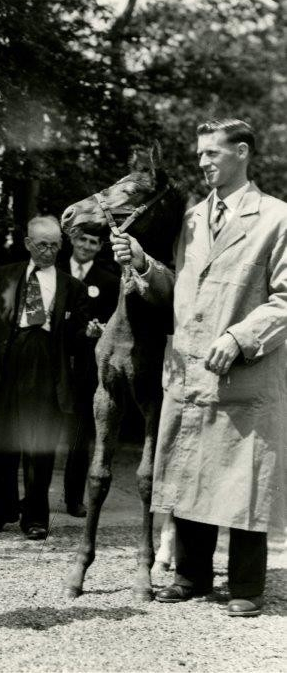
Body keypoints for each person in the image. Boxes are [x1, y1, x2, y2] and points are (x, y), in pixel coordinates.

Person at [112, 118, 287, 617]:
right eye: (200, 155)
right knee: (193, 466)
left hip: (247, 372)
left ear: (243, 152)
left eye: (212, 153)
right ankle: (191, 576)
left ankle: (247, 585)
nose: (203, 162)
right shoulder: (191, 219)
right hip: (190, 371)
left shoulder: (277, 218)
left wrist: (240, 337)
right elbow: (179, 290)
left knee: (244, 472)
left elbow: (286, 298)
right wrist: (144, 264)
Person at [0, 216, 90, 540]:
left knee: (39, 447)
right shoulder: (5, 276)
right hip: (3, 364)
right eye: (42, 245)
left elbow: (76, 335)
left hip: (46, 365)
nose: (48, 251)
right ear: (28, 244)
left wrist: (88, 332)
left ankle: (35, 518)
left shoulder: (71, 287)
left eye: (54, 245)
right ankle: (5, 509)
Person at [59, 224, 120, 517]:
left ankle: (73, 499)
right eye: (81, 239)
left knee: (79, 435)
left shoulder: (108, 281)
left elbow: (116, 321)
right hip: (51, 361)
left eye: (92, 241)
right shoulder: (53, 270)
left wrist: (102, 330)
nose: (85, 245)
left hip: (85, 367)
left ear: (99, 247)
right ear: (72, 240)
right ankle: (30, 499)